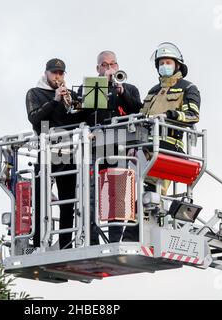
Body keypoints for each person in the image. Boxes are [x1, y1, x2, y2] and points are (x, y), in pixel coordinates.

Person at [122, 42, 201, 241]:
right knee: (129, 186)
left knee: (150, 190)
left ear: (177, 65)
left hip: (170, 146)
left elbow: (192, 115)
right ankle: (131, 233)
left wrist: (171, 114)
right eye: (161, 62)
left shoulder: (188, 87)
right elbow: (142, 116)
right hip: (146, 146)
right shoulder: (153, 91)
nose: (164, 65)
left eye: (168, 62)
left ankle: (139, 235)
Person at [80, 51, 143, 244]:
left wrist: (121, 91)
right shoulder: (89, 87)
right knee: (89, 194)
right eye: (105, 65)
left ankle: (115, 240)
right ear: (98, 68)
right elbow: (83, 114)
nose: (110, 68)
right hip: (94, 148)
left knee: (117, 196)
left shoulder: (129, 88)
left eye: (113, 64)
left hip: (119, 147)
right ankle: (91, 240)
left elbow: (138, 110)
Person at [26, 58, 84, 250]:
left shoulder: (71, 93)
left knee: (68, 200)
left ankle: (66, 243)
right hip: (46, 148)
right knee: (41, 198)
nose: (57, 77)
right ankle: (37, 243)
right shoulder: (35, 93)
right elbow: (34, 118)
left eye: (61, 73)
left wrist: (75, 105)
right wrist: (55, 100)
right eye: (54, 73)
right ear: (46, 73)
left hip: (67, 149)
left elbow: (79, 119)